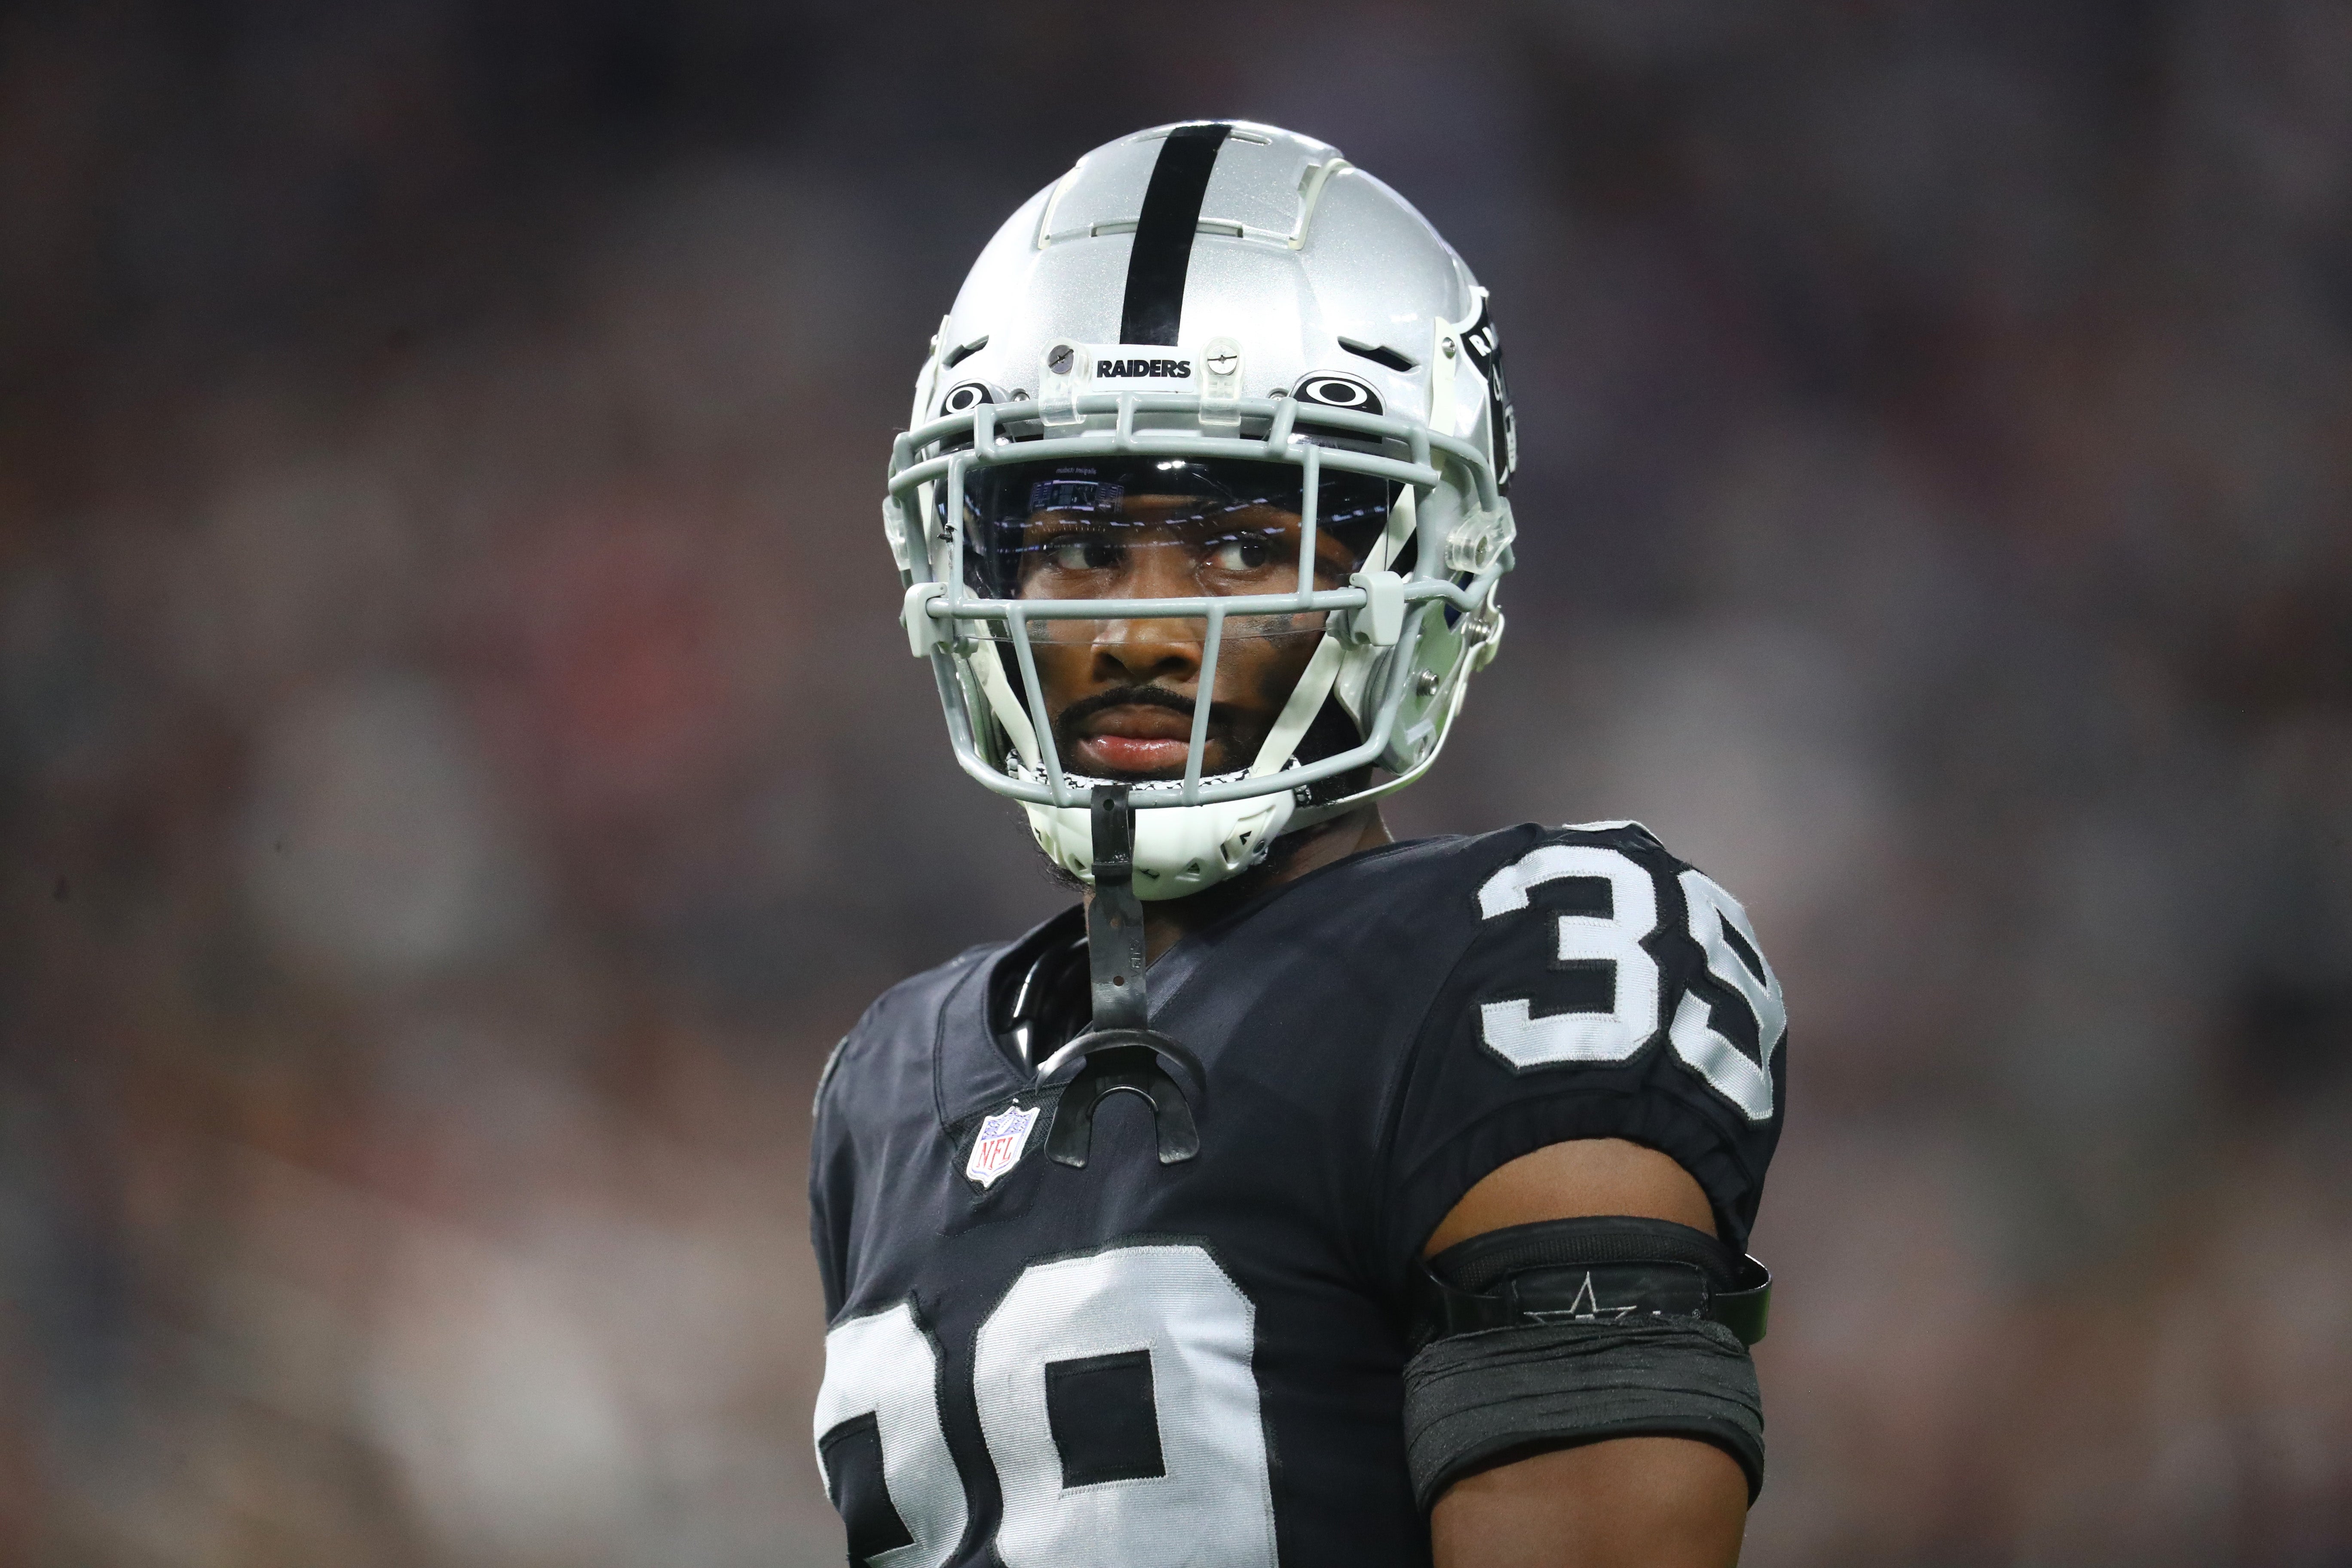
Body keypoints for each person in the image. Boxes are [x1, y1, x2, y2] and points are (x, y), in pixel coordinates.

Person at [809, 120, 1786, 1568]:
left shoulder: (1527, 964)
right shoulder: (886, 1084)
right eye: (1078, 546)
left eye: (1245, 546)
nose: (1142, 633)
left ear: (1424, 571)